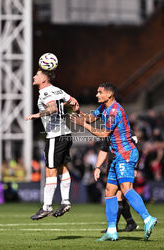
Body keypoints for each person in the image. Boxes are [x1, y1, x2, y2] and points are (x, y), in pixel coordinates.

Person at [71, 83, 157, 241]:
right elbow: (91, 118)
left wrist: (84, 125)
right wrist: (79, 113)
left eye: (100, 92)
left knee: (125, 189)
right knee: (109, 191)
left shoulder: (114, 111)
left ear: (109, 95)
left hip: (126, 154)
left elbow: (104, 134)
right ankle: (112, 230)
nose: (96, 95)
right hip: (116, 155)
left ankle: (147, 218)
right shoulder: (104, 108)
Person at [25, 67, 79, 220]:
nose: (34, 76)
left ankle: (47, 206)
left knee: (50, 170)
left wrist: (37, 114)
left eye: (37, 74)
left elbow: (52, 107)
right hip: (66, 134)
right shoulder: (58, 90)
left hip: (55, 136)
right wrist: (70, 106)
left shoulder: (45, 92)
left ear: (44, 79)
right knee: (62, 168)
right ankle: (65, 201)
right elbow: (73, 102)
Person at [96, 137, 138, 233]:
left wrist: (135, 167)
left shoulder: (126, 131)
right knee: (118, 197)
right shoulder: (107, 133)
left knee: (119, 196)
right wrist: (98, 167)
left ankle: (113, 226)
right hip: (112, 166)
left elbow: (134, 148)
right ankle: (130, 222)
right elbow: (104, 150)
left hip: (123, 165)